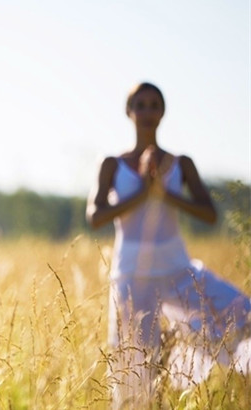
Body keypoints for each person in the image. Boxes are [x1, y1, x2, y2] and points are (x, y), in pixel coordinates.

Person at [86, 82, 250, 407]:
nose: (147, 111)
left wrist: (165, 192)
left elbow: (208, 213)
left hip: (178, 269)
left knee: (244, 315)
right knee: (137, 366)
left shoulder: (180, 163)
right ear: (129, 112)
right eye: (141, 105)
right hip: (132, 275)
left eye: (154, 105)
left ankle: (183, 344)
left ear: (162, 113)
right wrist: (143, 194)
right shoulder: (111, 164)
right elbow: (95, 216)